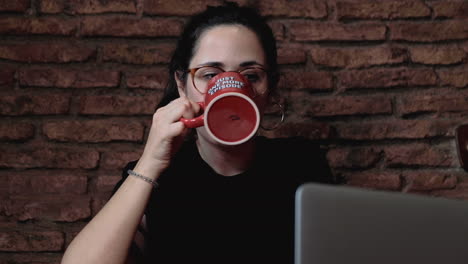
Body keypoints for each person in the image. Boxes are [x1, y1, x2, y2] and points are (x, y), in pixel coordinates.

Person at [61, 2, 338, 264]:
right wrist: (150, 162)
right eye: (209, 74)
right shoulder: (151, 179)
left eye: (251, 76)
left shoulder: (302, 165)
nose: (231, 91)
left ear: (269, 90)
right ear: (182, 86)